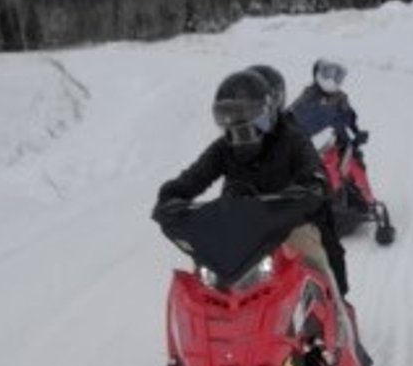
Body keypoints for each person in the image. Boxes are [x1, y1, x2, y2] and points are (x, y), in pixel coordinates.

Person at [157, 67, 350, 296]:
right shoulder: (223, 148)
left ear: (266, 111)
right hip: (241, 226)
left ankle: (337, 316)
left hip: (287, 222)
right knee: (207, 274)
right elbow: (194, 176)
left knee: (313, 255)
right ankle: (206, 326)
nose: (239, 126)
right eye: (229, 117)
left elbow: (312, 169)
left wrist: (312, 185)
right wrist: (171, 196)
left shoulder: (291, 138)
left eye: (248, 115)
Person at [289, 59, 369, 153]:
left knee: (357, 159)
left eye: (336, 75)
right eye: (327, 74)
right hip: (308, 143)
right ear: (318, 73)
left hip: (333, 144)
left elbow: (349, 116)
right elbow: (293, 112)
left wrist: (357, 133)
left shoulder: (341, 98)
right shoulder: (310, 94)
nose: (331, 79)